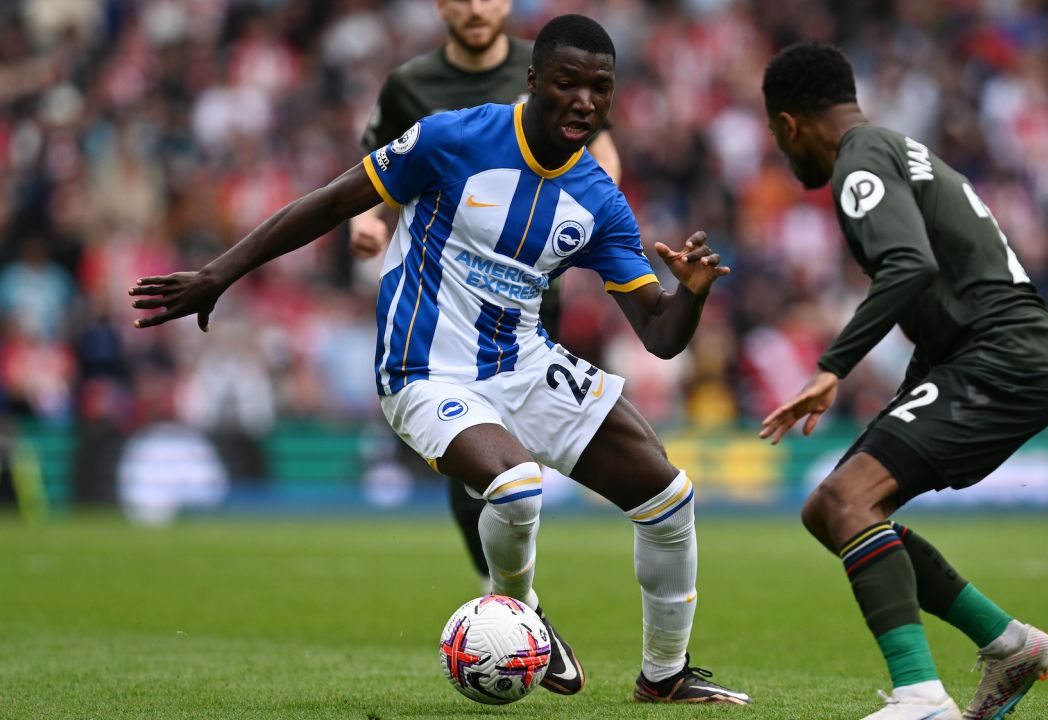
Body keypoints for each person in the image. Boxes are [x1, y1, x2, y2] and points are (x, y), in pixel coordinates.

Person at [130, 14, 749, 706]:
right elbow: (334, 202)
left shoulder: (600, 199)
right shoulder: (453, 138)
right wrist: (220, 273)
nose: (582, 101)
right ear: (533, 81)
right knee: (516, 488)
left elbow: (660, 334)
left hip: (522, 362)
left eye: (599, 89)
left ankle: (664, 676)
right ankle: (521, 619)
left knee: (669, 498)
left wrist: (689, 295)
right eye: (566, 83)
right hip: (424, 372)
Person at [758, 42, 1048, 720]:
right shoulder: (895, 149)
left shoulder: (858, 162)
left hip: (1002, 357)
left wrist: (831, 367)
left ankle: (922, 697)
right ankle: (1009, 644)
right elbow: (948, 285)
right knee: (829, 510)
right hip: (984, 354)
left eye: (778, 138)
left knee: (850, 500)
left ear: (788, 125)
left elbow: (909, 265)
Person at [352, 0, 622, 596]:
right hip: (445, 300)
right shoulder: (410, 86)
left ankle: (510, 594)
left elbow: (599, 150)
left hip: (528, 303)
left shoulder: (554, 65)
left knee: (518, 450)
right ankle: (503, 596)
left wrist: (596, 208)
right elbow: (385, 168)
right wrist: (374, 219)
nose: (476, 8)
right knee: (473, 457)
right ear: (440, 6)